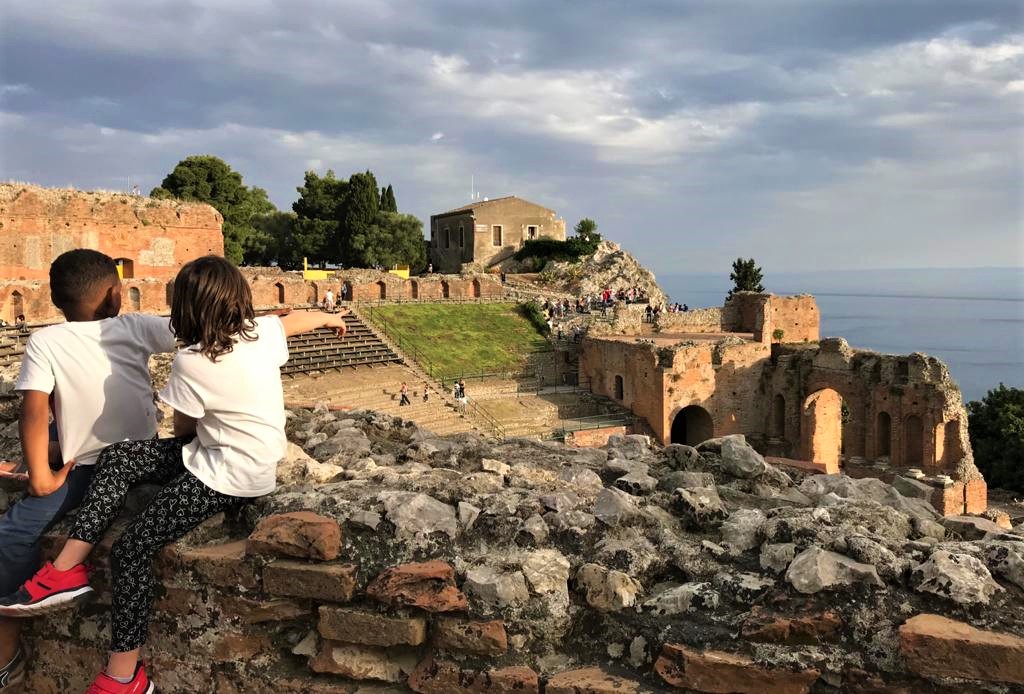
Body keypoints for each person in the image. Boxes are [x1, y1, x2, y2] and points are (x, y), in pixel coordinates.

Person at [0, 256, 348, 693]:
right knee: (120, 456)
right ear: (241, 301)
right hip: (237, 457)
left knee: (131, 550)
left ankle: (123, 675)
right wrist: (330, 316)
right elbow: (293, 319)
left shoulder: (192, 362)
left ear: (181, 308)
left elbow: (186, 429)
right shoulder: (261, 335)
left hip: (226, 475)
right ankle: (67, 567)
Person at [0, 249, 178, 692]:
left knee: (13, 533)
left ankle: (5, 653)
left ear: (57, 303)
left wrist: (41, 473)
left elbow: (33, 410)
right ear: (118, 295)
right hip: (137, 460)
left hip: (82, 468)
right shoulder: (135, 325)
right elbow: (199, 329)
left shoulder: (45, 340)